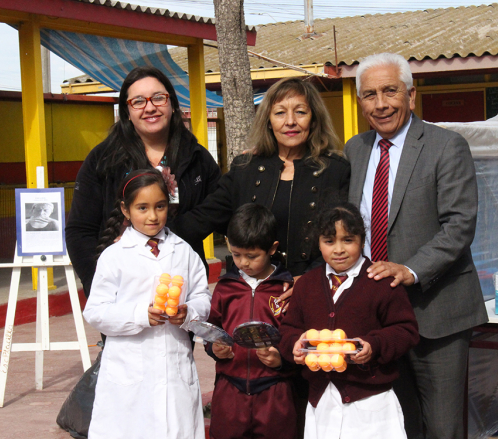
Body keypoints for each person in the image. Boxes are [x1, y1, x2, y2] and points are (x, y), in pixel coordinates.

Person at [344, 52, 488, 439]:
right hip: (377, 318)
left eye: (390, 91)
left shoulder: (446, 146)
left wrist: (409, 270)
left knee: (442, 428)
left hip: (435, 313)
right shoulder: (354, 150)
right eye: (370, 95)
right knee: (396, 425)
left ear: (411, 95)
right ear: (360, 102)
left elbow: (459, 225)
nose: (381, 104)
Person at [66, 66, 221, 298]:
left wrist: (176, 232)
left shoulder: (196, 157)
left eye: (158, 98)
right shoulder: (103, 160)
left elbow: (220, 207)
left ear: (172, 104)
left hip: (180, 290)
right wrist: (100, 287)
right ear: (127, 112)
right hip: (123, 292)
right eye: (138, 101)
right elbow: (79, 231)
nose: (150, 107)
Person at [174, 77, 351, 279]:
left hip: (312, 286)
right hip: (254, 289)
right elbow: (202, 219)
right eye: (280, 113)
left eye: (300, 112)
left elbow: (344, 239)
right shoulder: (246, 168)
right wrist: (150, 235)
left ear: (314, 119)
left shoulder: (335, 171)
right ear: (268, 120)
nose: (290, 121)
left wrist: (306, 282)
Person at [83, 169, 211, 439]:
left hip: (174, 368)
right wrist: (140, 315)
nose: (153, 216)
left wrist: (189, 313)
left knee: (177, 428)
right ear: (125, 210)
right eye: (143, 207)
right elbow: (95, 311)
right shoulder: (114, 256)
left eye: (160, 206)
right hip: (128, 372)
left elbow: (202, 296)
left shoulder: (183, 251)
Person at [279, 202, 419, 439]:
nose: (339, 249)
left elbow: (406, 330)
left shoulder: (381, 281)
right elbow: (288, 329)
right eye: (329, 241)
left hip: (371, 401)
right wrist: (294, 343)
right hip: (321, 399)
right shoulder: (306, 284)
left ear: (363, 241)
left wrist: (374, 345)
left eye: (348, 240)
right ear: (319, 243)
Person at [205, 203, 296, 439]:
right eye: (236, 255)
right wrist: (214, 349)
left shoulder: (287, 290)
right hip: (229, 389)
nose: (243, 262)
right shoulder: (225, 288)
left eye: (252, 256)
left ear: (272, 248)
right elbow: (212, 329)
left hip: (275, 388)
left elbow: (297, 336)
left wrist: (281, 360)